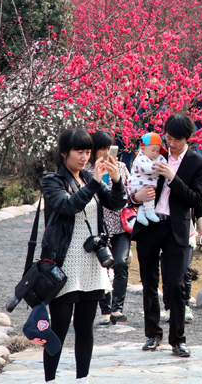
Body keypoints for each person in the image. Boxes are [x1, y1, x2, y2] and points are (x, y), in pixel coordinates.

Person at [40, 128, 127, 383]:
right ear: (64, 152)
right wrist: (94, 182)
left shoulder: (89, 176)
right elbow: (69, 205)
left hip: (91, 262)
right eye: (79, 151)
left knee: (85, 327)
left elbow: (115, 203)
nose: (84, 157)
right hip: (64, 263)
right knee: (59, 327)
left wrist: (116, 179)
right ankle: (50, 379)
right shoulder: (52, 181)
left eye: (88, 152)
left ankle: (82, 379)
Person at [130, 114, 202, 358]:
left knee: (175, 284)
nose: (170, 144)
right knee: (149, 282)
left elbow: (195, 200)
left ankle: (178, 339)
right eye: (168, 138)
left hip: (176, 228)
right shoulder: (153, 154)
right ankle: (153, 335)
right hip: (150, 225)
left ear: (187, 139)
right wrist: (135, 198)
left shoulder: (199, 163)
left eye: (175, 140)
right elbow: (133, 185)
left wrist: (172, 178)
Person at [85, 131, 132, 327]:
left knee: (120, 263)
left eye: (109, 148)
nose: (105, 153)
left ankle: (117, 309)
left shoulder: (120, 167)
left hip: (119, 226)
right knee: (101, 266)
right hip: (97, 227)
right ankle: (104, 310)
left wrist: (117, 178)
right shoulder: (87, 171)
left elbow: (127, 195)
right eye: (101, 149)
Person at [128, 133, 167, 226]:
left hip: (147, 183)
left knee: (147, 195)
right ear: (143, 149)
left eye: (157, 151)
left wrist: (164, 166)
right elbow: (144, 168)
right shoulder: (140, 158)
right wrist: (157, 167)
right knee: (149, 193)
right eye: (153, 150)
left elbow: (164, 162)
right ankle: (149, 211)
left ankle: (141, 214)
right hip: (137, 184)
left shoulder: (156, 157)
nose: (155, 153)